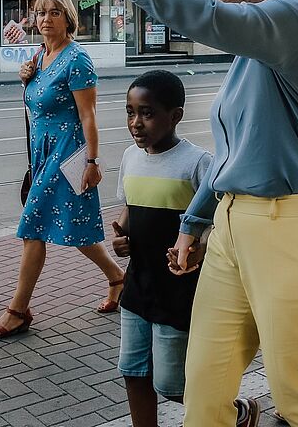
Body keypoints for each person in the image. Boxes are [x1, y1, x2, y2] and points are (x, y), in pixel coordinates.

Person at [76, 0, 298, 427]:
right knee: (202, 395)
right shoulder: (249, 56)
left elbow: (209, 18)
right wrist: (193, 224)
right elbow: (231, 156)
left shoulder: (297, 15)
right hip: (234, 229)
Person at [111, 70, 259, 427]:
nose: (136, 123)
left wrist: (202, 247)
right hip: (137, 286)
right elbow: (129, 207)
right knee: (133, 371)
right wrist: (123, 238)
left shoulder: (198, 163)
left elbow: (217, 222)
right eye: (130, 112)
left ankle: (234, 411)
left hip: (178, 290)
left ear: (175, 115)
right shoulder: (130, 158)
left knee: (171, 382)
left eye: (147, 113)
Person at [0, 0, 124, 338]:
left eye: (55, 13)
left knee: (33, 228)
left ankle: (17, 311)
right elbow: (39, 104)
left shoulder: (77, 60)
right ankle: (119, 278)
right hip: (42, 154)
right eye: (41, 13)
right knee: (76, 231)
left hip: (66, 157)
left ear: (68, 18)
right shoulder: (40, 56)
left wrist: (93, 161)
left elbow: (88, 116)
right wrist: (25, 79)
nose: (46, 19)